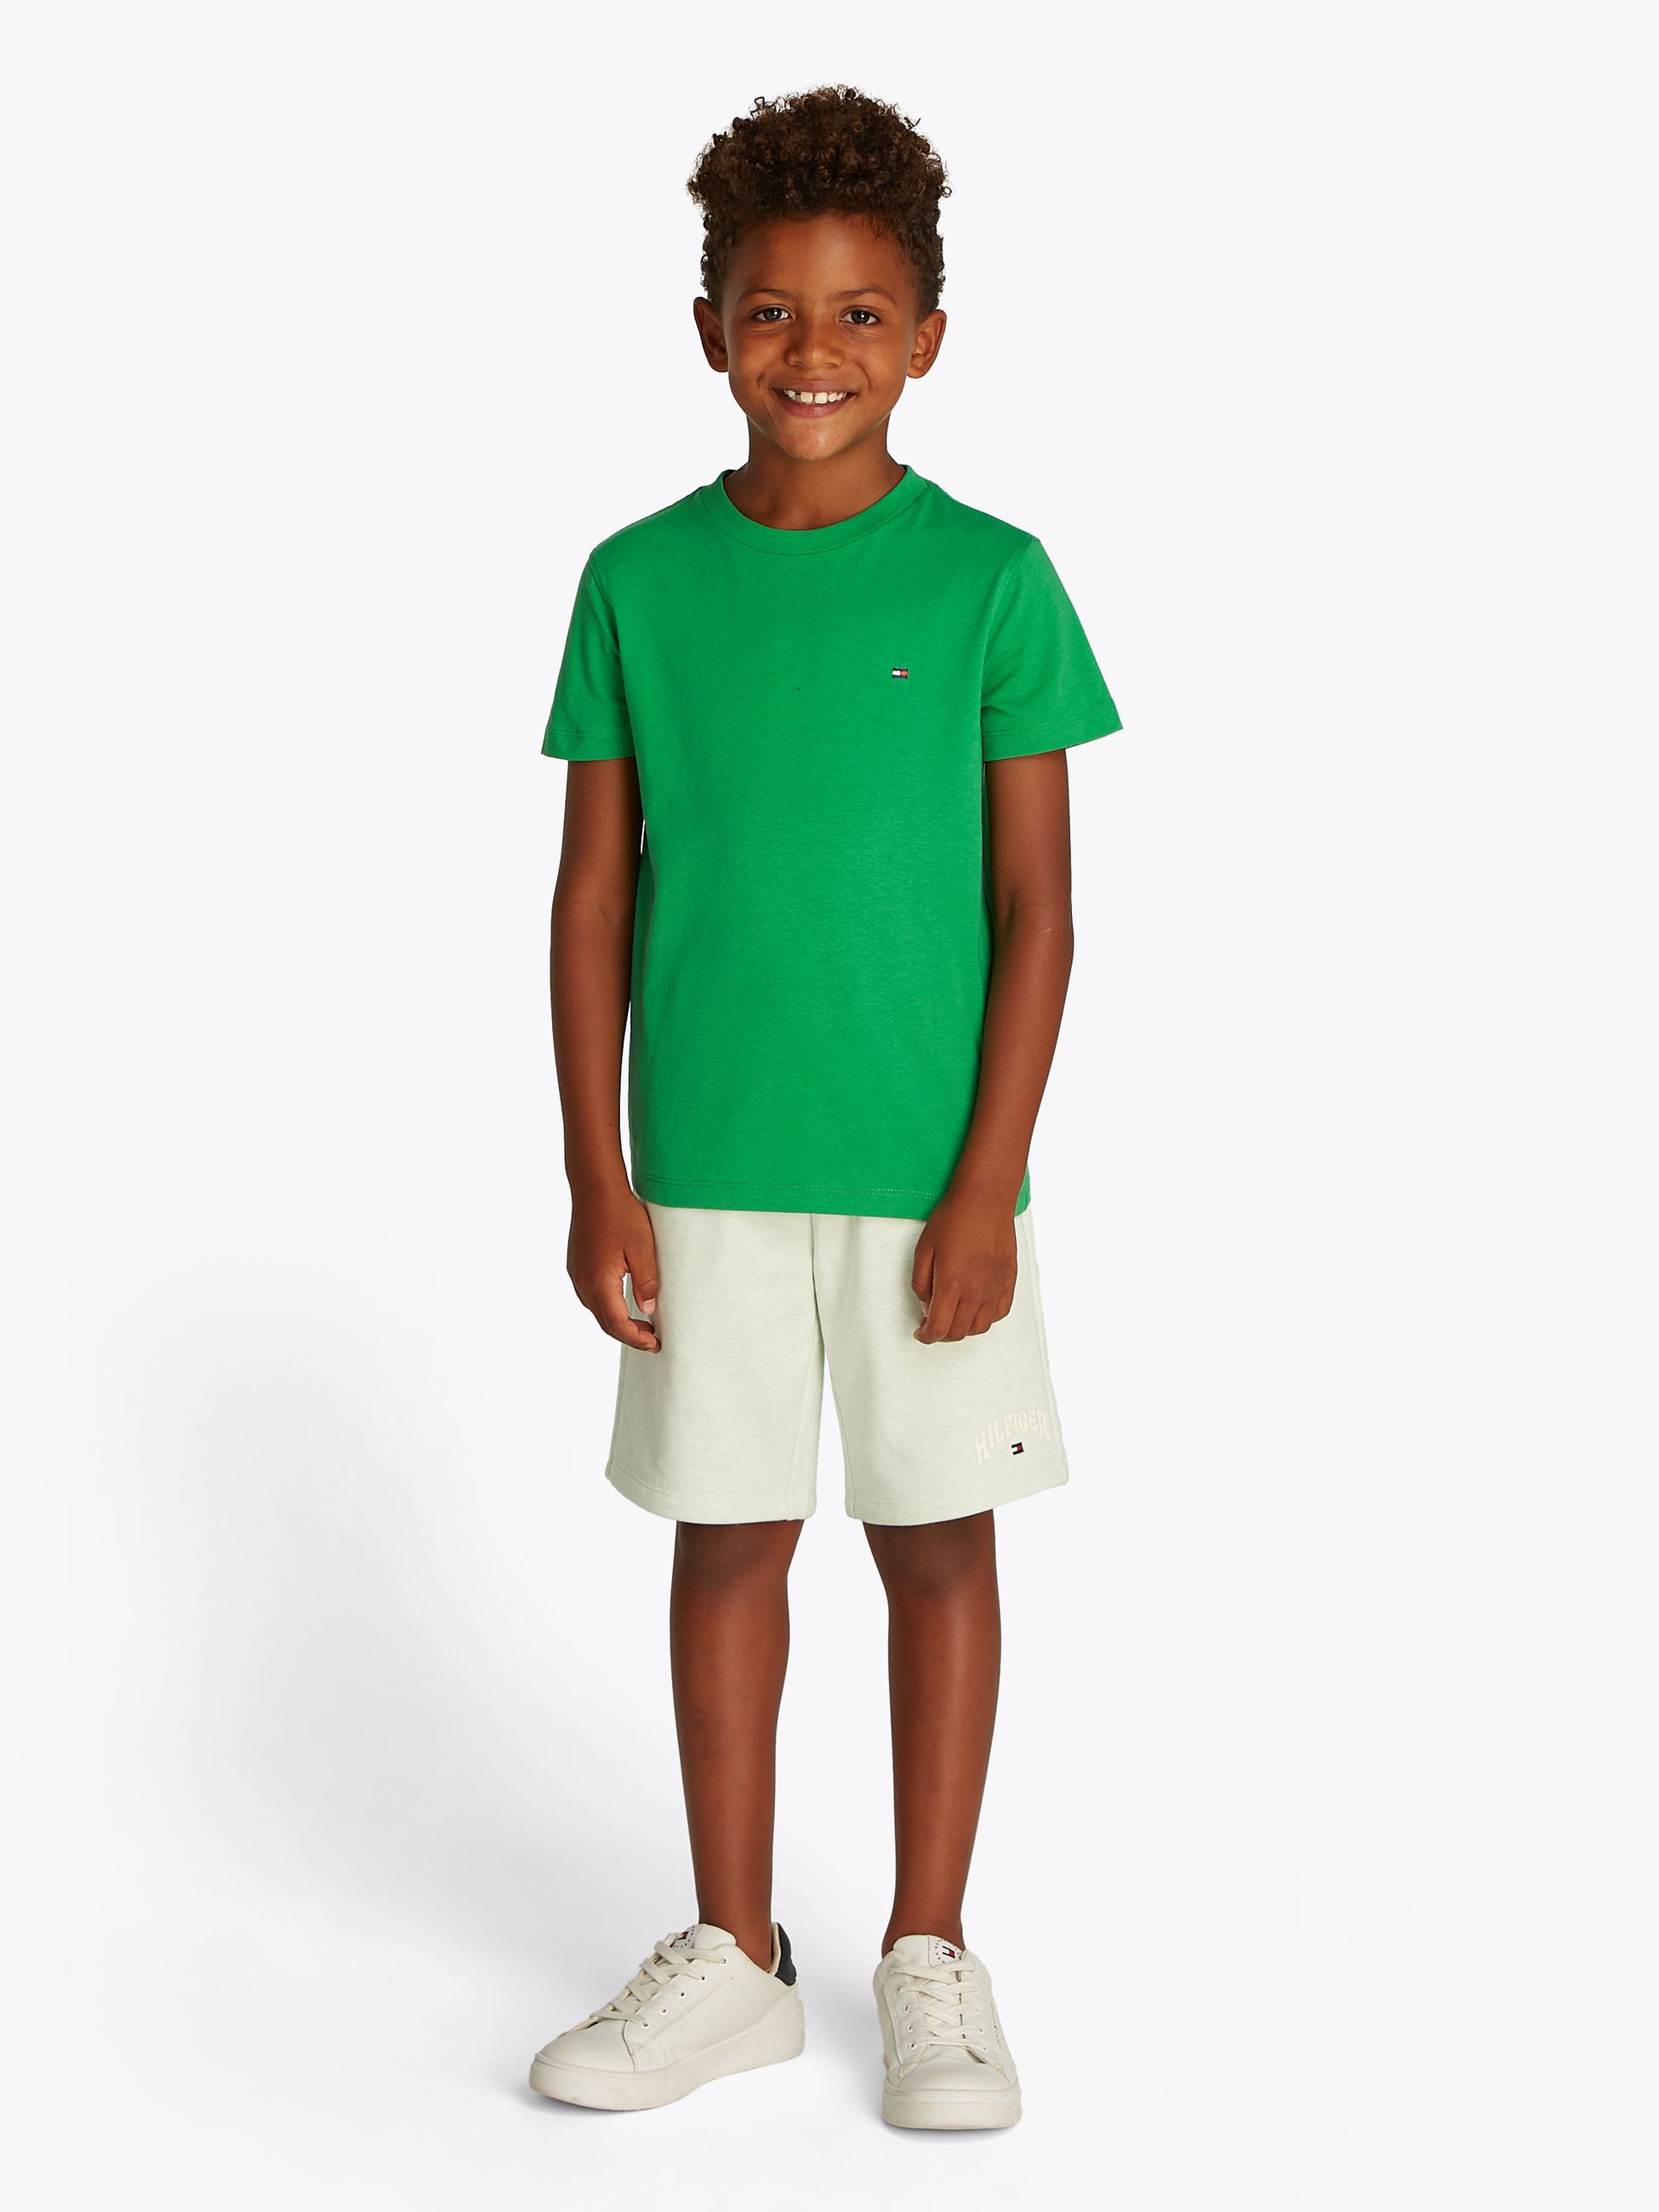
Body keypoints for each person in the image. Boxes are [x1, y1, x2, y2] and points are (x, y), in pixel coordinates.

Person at [527, 84, 1121, 2130]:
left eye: (863, 313)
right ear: (710, 328)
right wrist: (597, 1168)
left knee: (937, 1543)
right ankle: (736, 1955)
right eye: (772, 309)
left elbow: (1039, 911)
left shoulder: (994, 582)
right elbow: (594, 894)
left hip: (926, 1177)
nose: (814, 351)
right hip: (703, 1167)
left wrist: (987, 1183)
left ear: (928, 338)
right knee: (727, 1541)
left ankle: (928, 1950)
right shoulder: (637, 581)